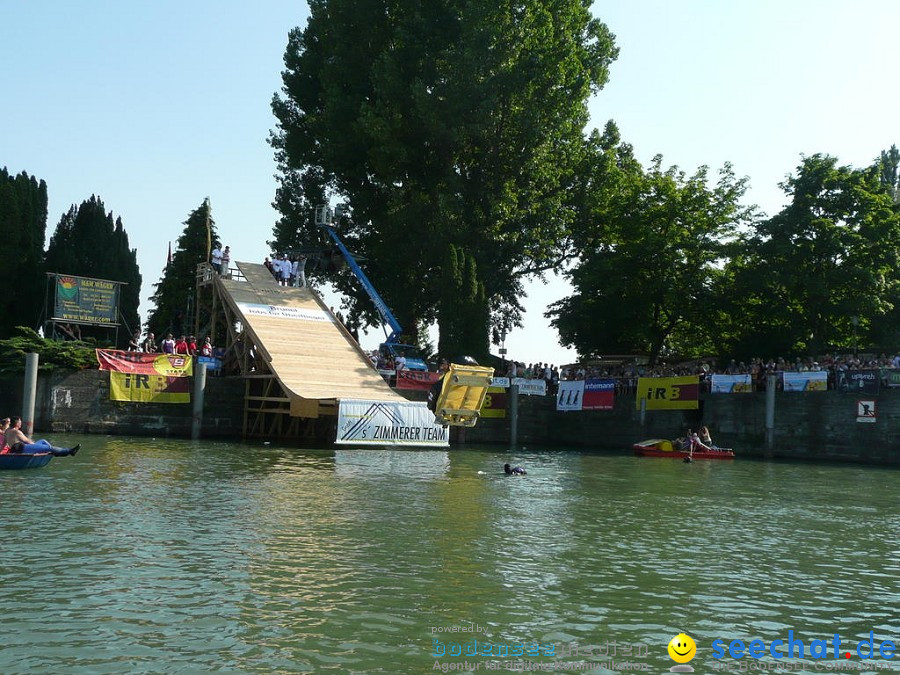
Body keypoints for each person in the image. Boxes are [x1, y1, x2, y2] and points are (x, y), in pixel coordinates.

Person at [4, 416, 80, 456]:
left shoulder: (7, 430)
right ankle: (69, 451)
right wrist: (36, 448)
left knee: (43, 441)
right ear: (17, 423)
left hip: (17, 449)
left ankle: (55, 452)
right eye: (20, 422)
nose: (21, 423)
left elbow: (3, 443)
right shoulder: (17, 431)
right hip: (22, 449)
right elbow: (28, 441)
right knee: (48, 447)